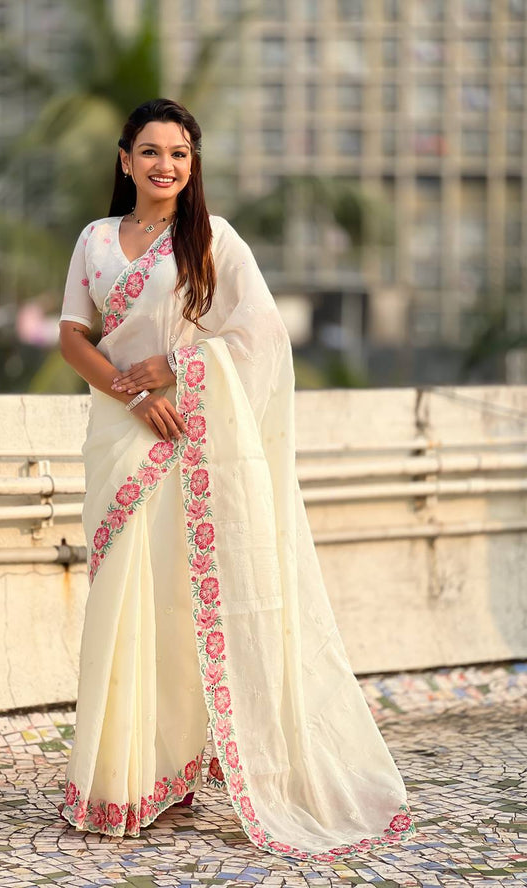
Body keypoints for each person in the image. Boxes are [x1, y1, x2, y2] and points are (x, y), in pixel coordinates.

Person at [56, 98, 416, 862]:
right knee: (122, 605)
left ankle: (177, 769)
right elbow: (71, 335)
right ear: (124, 161)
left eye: (179, 154)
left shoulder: (213, 240)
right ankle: (121, 778)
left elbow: (259, 340)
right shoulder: (94, 240)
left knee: (178, 605)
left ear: (193, 165)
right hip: (121, 434)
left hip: (189, 436)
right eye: (150, 152)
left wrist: (180, 371)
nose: (165, 166)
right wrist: (133, 392)